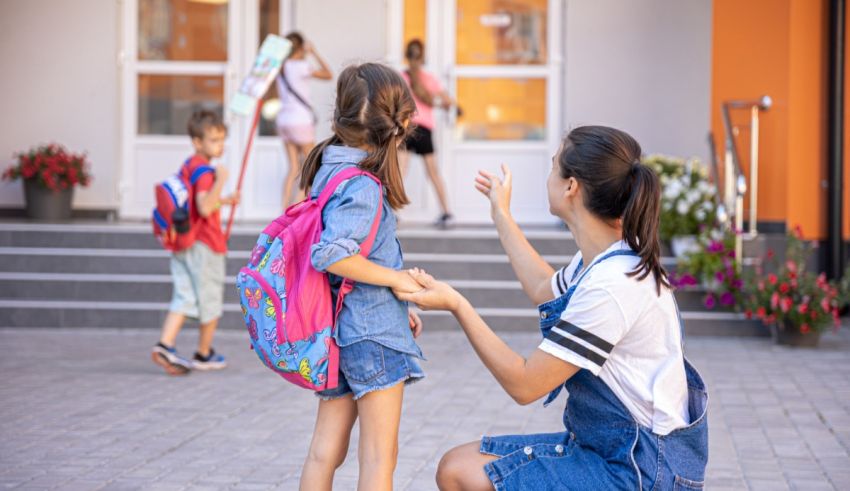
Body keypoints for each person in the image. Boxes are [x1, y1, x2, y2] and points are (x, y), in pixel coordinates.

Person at [397, 126, 709, 490]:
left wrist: (457, 305)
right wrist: (502, 213)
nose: (548, 175)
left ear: (571, 186)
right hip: (608, 450)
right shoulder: (603, 259)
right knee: (458, 465)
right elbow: (544, 289)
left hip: (640, 470)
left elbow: (525, 384)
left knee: (463, 475)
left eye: (552, 165)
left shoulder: (614, 285)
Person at [298, 63, 427, 491]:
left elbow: (357, 252)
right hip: (372, 334)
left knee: (325, 451)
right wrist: (396, 281)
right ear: (401, 124)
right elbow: (332, 255)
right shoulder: (364, 185)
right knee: (378, 459)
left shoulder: (326, 170)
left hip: (340, 330)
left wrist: (397, 303)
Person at [151, 111, 240, 376]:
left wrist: (224, 200)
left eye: (222, 139)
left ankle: (165, 344)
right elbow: (203, 207)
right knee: (210, 298)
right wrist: (221, 180)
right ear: (197, 142)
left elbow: (197, 201)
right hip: (206, 244)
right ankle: (204, 352)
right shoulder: (206, 171)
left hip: (184, 240)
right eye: (213, 140)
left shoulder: (190, 164)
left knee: (185, 295)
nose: (219, 145)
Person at [400, 39, 456, 228]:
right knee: (433, 173)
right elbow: (448, 101)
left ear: (406, 56)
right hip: (424, 129)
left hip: (406, 128)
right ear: (423, 57)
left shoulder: (401, 78)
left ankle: (390, 214)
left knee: (398, 173)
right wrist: (440, 104)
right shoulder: (429, 79)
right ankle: (447, 212)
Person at [276, 31, 333, 208]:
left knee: (293, 167)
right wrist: (314, 52)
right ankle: (296, 206)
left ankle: (284, 207)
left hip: (283, 120)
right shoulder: (301, 66)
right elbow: (328, 74)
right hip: (300, 120)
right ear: (301, 48)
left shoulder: (281, 67)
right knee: (312, 164)